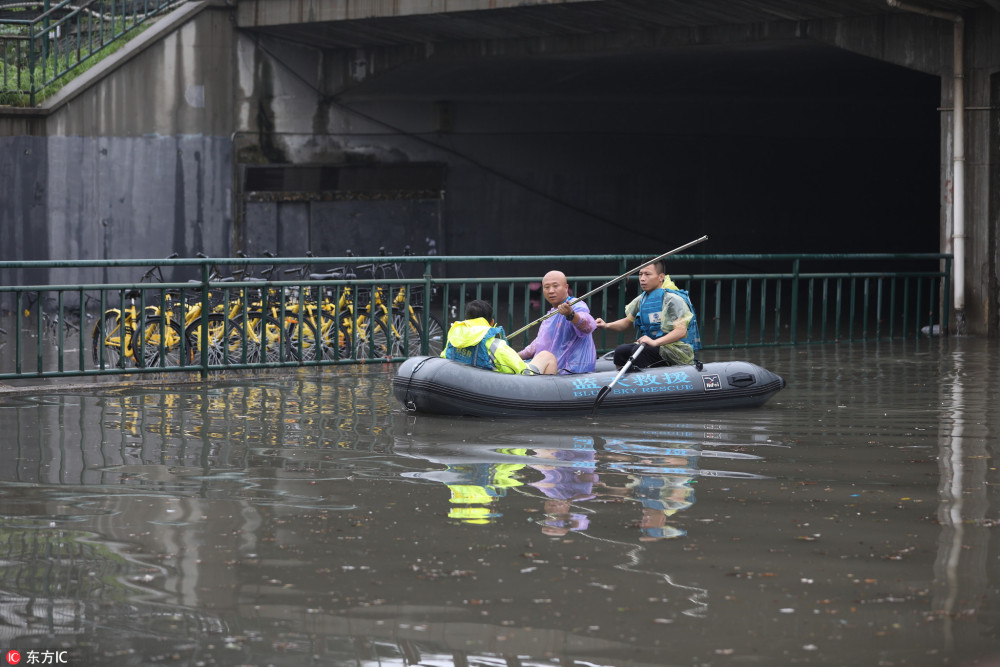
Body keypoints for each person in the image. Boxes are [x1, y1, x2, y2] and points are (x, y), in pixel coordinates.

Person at [594, 260, 696, 370]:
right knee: (620, 351)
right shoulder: (641, 299)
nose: (642, 279)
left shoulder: (673, 299)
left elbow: (681, 331)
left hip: (675, 349)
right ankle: (623, 383)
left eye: (647, 274)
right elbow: (627, 322)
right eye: (640, 274)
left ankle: (646, 382)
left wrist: (654, 342)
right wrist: (606, 325)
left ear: (661, 277)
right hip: (651, 346)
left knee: (639, 351)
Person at [442, 299, 557, 374]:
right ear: (492, 322)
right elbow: (520, 369)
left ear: (466, 320)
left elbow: (444, 356)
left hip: (462, 380)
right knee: (547, 356)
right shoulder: (495, 345)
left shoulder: (454, 336)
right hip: (496, 384)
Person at [518, 270, 597, 374]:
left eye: (555, 286)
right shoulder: (551, 314)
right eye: (546, 287)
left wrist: (571, 315)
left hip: (571, 370)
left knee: (545, 357)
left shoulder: (576, 305)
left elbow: (588, 326)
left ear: (566, 287)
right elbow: (539, 342)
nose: (551, 291)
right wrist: (516, 356)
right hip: (553, 368)